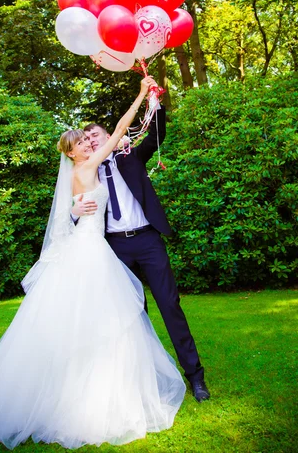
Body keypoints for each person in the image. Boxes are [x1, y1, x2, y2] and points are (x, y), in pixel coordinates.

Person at [0, 77, 186, 450]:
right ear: (73, 153)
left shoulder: (85, 171)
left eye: (87, 139)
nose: (88, 142)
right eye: (81, 142)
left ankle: (103, 386)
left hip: (94, 248)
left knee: (101, 320)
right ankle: (92, 395)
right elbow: (116, 131)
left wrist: (73, 207)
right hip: (93, 252)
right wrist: (141, 95)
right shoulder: (88, 165)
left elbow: (69, 209)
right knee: (109, 320)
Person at [72, 86, 210, 403]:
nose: (93, 141)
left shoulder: (131, 156)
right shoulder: (86, 172)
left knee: (170, 306)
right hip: (115, 249)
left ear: (110, 135)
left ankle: (195, 377)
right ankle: (145, 380)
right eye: (88, 139)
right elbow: (76, 209)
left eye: (97, 135)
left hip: (147, 240)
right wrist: (74, 210)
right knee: (132, 316)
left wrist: (154, 103)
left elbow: (157, 134)